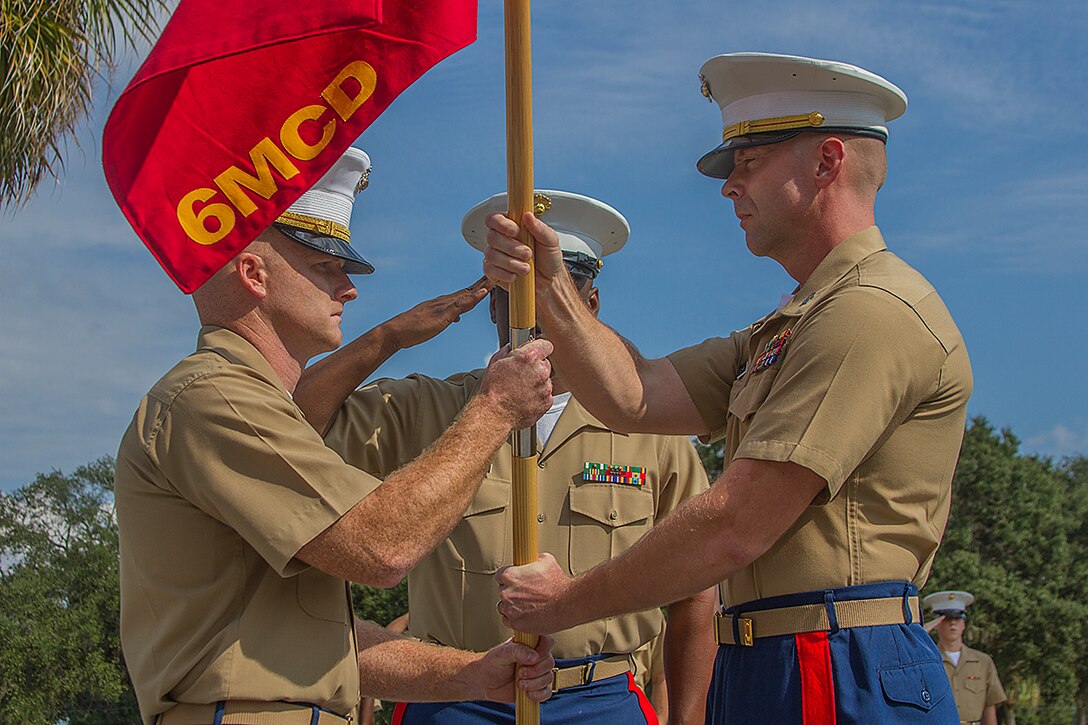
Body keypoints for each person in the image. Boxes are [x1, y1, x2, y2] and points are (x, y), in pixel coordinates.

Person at [483, 53, 973, 724]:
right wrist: (550, 285)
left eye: (749, 163)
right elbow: (637, 393)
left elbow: (736, 524)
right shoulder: (794, 324)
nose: (728, 187)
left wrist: (564, 602)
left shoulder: (871, 311)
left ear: (828, 162)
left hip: (837, 659)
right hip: (776, 655)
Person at [114, 147, 558, 725]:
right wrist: (495, 408)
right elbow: (381, 548)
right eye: (326, 267)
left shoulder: (245, 402)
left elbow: (320, 639)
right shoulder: (215, 397)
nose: (348, 289)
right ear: (254, 274)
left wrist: (467, 676)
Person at [297, 189, 718, 724]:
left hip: (601, 697)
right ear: (491, 301)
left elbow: (694, 589)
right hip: (453, 697)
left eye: (560, 287)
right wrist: (389, 336)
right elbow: (292, 426)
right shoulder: (427, 407)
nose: (536, 307)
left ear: (590, 304)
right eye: (516, 289)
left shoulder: (652, 430)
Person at [924, 591, 1007, 725]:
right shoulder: (927, 662)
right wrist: (920, 635)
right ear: (937, 624)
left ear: (963, 624)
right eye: (946, 619)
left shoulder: (983, 662)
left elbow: (989, 706)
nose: (952, 624)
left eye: (957, 619)